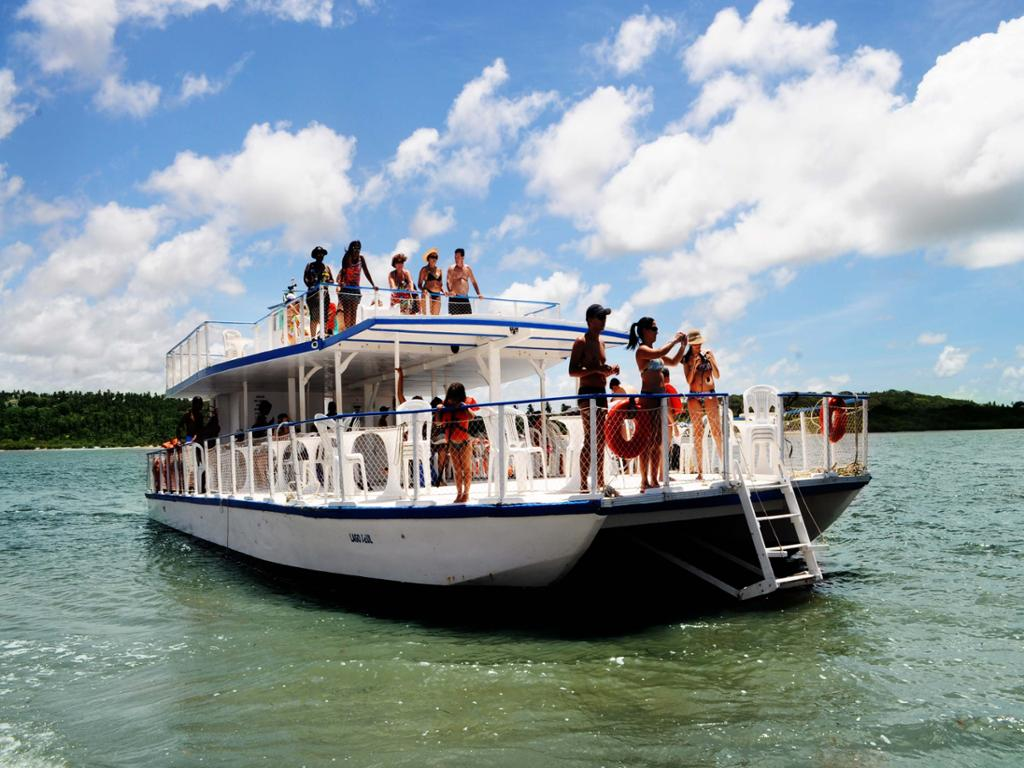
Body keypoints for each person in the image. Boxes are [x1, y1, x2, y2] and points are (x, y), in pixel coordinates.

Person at [626, 317, 687, 492]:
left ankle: (654, 479)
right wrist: (674, 340)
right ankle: (644, 480)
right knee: (647, 442)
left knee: (657, 442)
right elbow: (660, 351)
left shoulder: (655, 354)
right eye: (654, 328)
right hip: (648, 399)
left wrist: (682, 347)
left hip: (659, 400)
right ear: (645, 331)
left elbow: (673, 362)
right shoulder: (642, 351)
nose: (657, 331)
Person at [568, 303, 620, 496]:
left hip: (601, 393)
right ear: (590, 320)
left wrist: (609, 371)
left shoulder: (601, 343)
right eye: (601, 317)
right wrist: (597, 369)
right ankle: (583, 483)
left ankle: (599, 481)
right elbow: (572, 371)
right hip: (587, 393)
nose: (604, 320)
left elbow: (598, 369)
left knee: (600, 439)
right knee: (591, 439)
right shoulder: (580, 341)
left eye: (605, 317)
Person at [683, 329, 722, 481]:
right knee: (698, 434)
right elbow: (688, 381)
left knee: (717, 432)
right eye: (695, 344)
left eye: (699, 343)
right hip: (694, 396)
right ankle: (700, 472)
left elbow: (717, 375)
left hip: (710, 394)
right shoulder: (686, 359)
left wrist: (711, 361)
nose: (698, 346)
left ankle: (725, 468)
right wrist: (694, 366)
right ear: (690, 344)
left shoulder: (708, 354)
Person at [436, 382, 478, 503]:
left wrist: (465, 407)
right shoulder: (445, 405)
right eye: (450, 398)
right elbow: (438, 423)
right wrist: (439, 410)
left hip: (465, 442)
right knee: (457, 469)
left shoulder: (465, 404)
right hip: (451, 442)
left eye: (454, 398)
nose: (452, 401)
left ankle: (466, 493)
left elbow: (472, 416)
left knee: (466, 469)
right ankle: (459, 493)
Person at [337, 240, 376, 330]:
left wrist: (373, 285)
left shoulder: (361, 259)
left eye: (358, 249)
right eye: (354, 248)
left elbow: (366, 272)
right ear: (351, 249)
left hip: (355, 289)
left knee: (353, 311)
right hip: (346, 288)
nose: (357, 250)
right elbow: (343, 271)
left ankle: (352, 330)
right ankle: (348, 330)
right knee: (347, 311)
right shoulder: (347, 257)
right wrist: (341, 282)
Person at [303, 245, 336, 337]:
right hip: (313, 295)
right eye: (318, 254)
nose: (320, 256)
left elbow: (332, 280)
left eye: (322, 254)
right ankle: (313, 337)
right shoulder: (310, 265)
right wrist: (311, 286)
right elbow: (305, 278)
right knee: (314, 316)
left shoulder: (326, 267)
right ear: (315, 255)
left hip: (324, 295)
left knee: (324, 316)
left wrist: (328, 281)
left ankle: (323, 334)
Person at [417, 248, 445, 316]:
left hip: (437, 294)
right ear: (428, 258)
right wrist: (423, 290)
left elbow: (440, 284)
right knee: (426, 315)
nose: (434, 259)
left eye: (436, 257)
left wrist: (444, 291)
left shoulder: (439, 270)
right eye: (432, 257)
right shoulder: (424, 269)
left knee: (435, 317)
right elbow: (419, 284)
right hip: (427, 293)